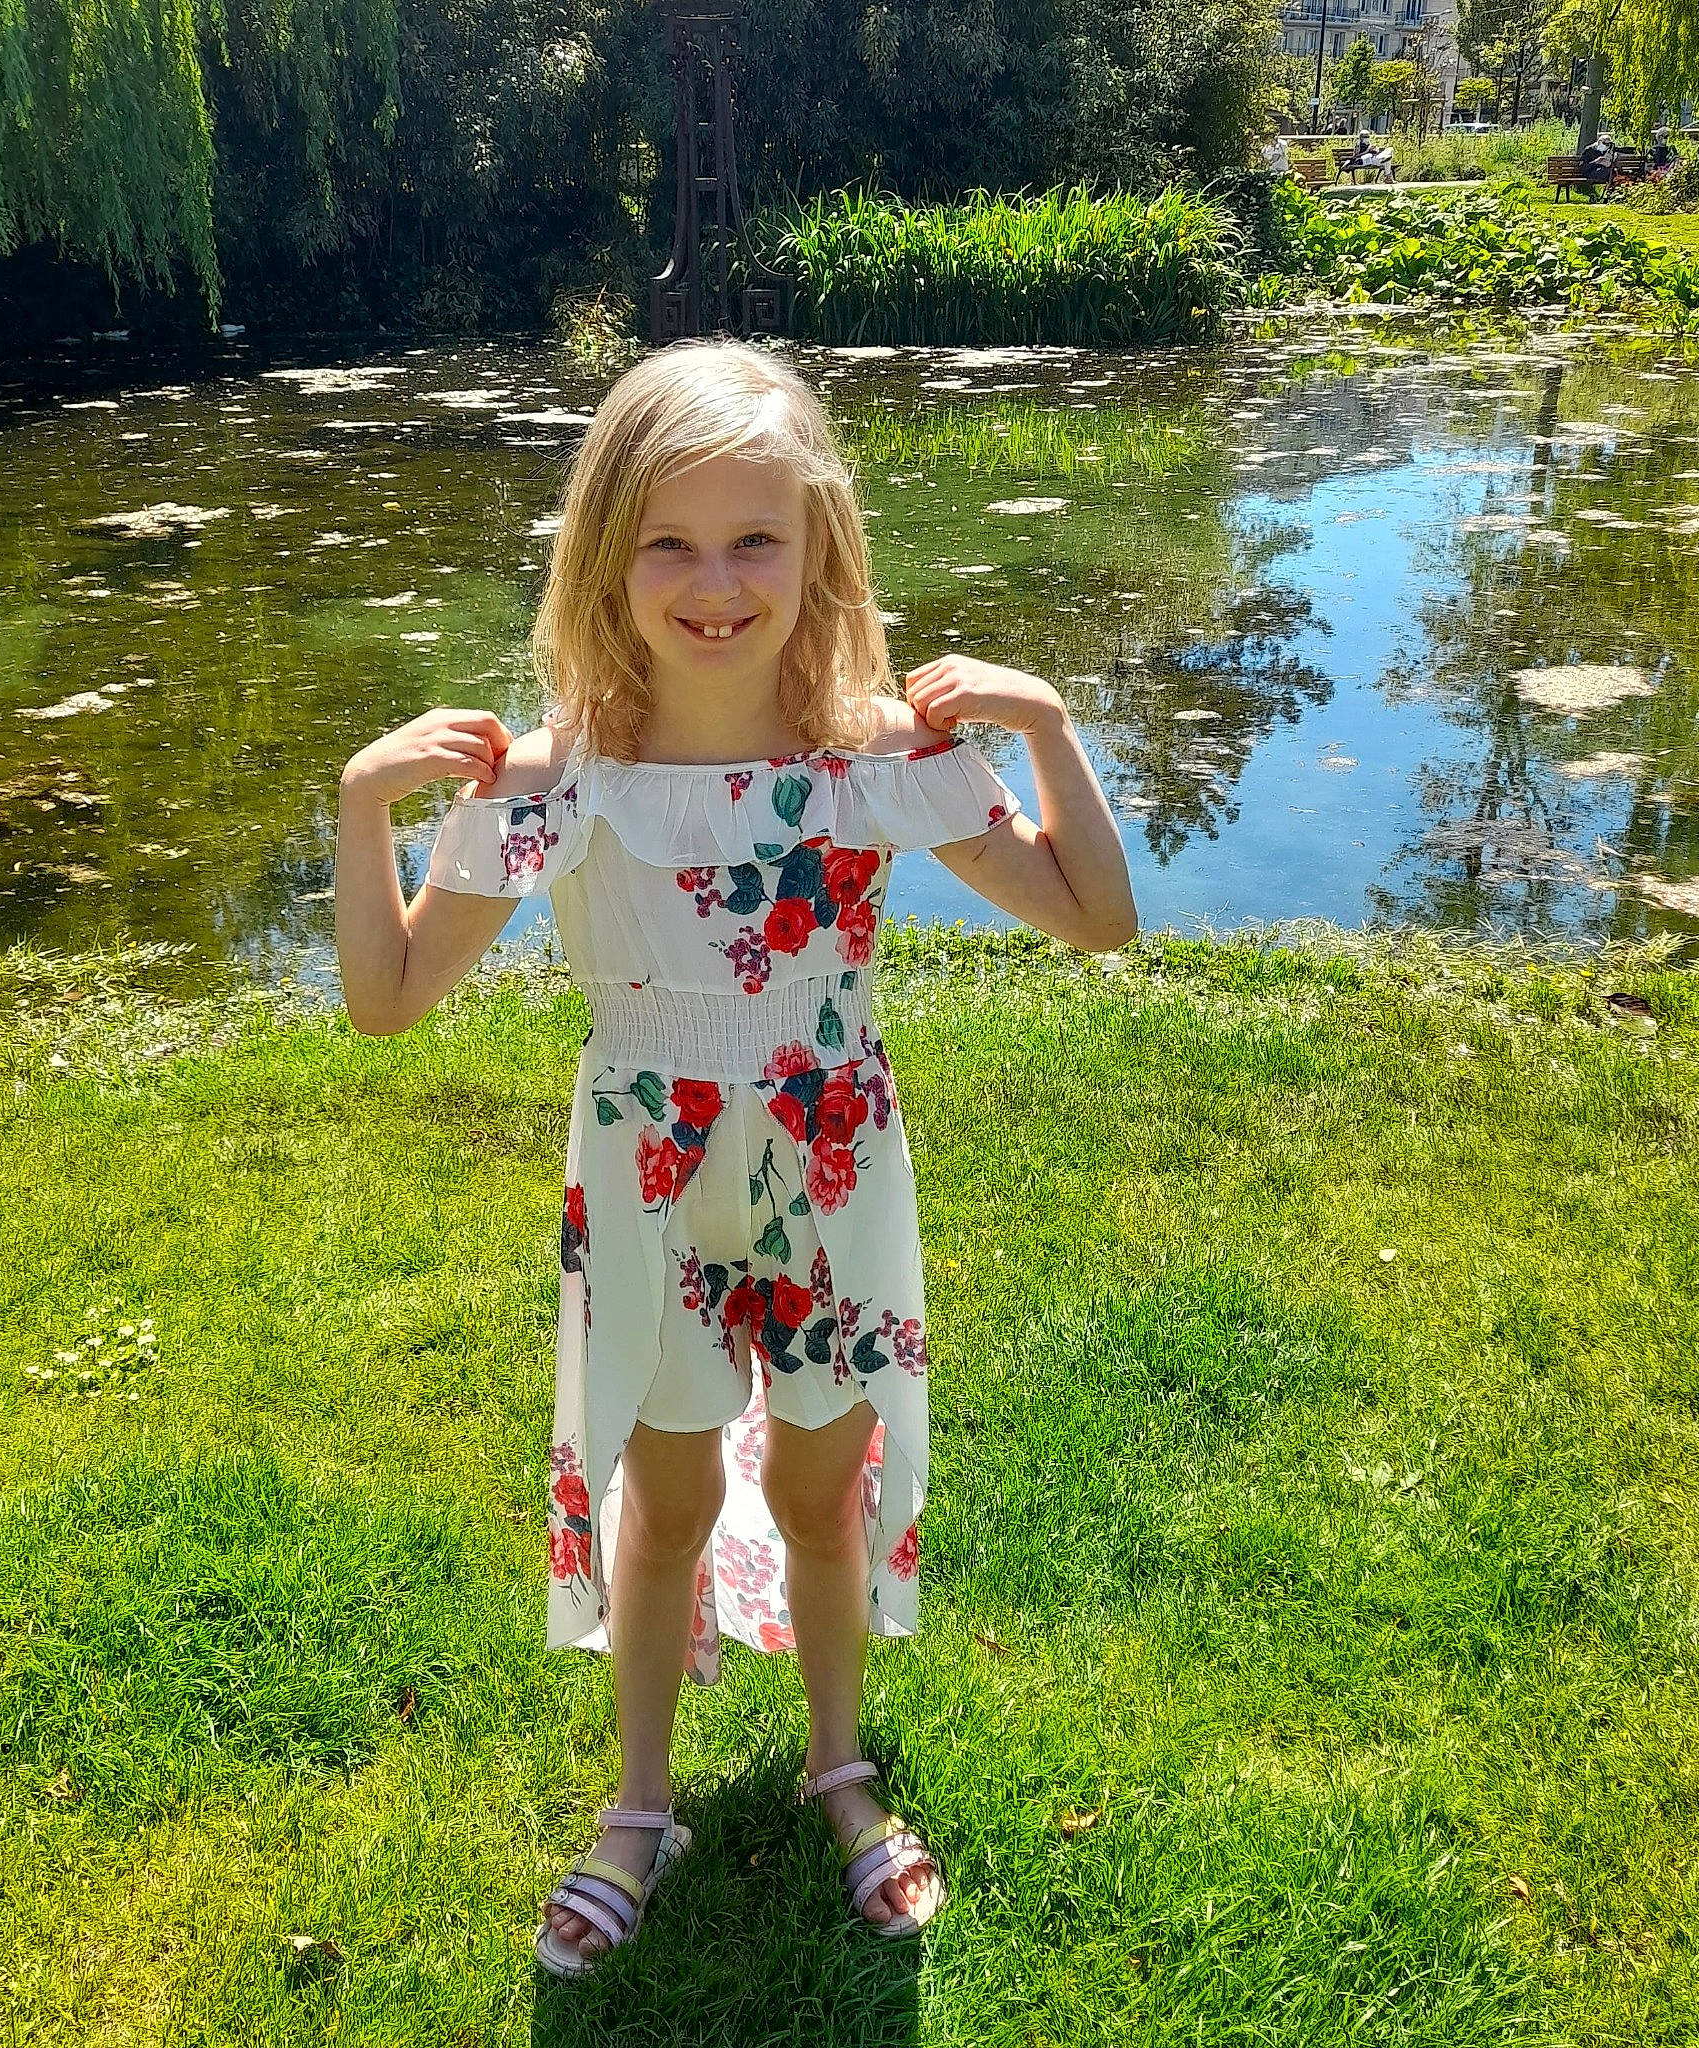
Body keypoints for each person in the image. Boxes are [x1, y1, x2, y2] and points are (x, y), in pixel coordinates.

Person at [333, 342, 1138, 1976]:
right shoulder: (557, 782)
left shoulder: (879, 757)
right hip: (649, 1171)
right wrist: (366, 806)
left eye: (755, 540)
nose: (715, 586)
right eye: (671, 544)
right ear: (605, 556)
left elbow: (1095, 916)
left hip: (833, 1158)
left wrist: (1046, 725)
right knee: (673, 1485)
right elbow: (391, 1000)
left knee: (822, 1484)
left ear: (821, 546)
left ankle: (843, 1767)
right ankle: (641, 1801)